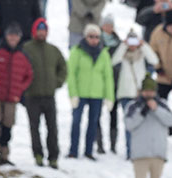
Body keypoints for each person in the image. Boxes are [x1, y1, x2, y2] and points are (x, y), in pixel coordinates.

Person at [127, 77, 172, 178]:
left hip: (157, 153)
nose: (148, 94)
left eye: (151, 91)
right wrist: (143, 111)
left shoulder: (163, 105)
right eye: (146, 90)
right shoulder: (133, 106)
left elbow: (171, 121)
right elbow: (129, 124)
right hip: (140, 154)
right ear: (141, 91)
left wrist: (156, 109)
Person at [23, 18, 67, 168]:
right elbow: (20, 68)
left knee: (52, 128)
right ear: (34, 31)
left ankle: (53, 157)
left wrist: (57, 82)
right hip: (32, 96)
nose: (42, 33)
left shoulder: (53, 50)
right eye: (39, 30)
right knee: (34, 128)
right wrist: (25, 87)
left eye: (44, 30)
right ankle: (38, 155)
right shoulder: (26, 48)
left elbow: (63, 67)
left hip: (49, 96)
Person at [0, 24, 34, 166]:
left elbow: (29, 75)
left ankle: (4, 155)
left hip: (12, 98)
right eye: (10, 35)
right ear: (6, 36)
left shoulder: (23, 55)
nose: (13, 38)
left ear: (19, 38)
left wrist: (19, 90)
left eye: (16, 36)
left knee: (7, 126)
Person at [67, 24, 115, 161]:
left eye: (96, 37)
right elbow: (71, 74)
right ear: (85, 37)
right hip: (80, 93)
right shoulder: (77, 51)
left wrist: (109, 96)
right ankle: (73, 150)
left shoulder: (103, 53)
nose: (94, 39)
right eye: (91, 36)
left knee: (93, 123)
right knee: (76, 121)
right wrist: (73, 94)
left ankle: (89, 151)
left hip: (96, 94)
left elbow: (108, 76)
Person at [111, 33, 159, 159]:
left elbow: (154, 60)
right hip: (125, 94)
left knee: (142, 123)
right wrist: (123, 45)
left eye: (134, 41)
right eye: (130, 41)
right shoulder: (123, 55)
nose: (132, 45)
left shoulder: (141, 54)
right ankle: (130, 152)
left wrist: (143, 45)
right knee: (129, 123)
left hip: (140, 94)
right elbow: (114, 60)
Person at [96, 16, 121, 155]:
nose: (108, 27)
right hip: (99, 83)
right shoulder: (96, 40)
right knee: (97, 115)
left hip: (115, 82)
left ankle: (113, 144)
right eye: (105, 25)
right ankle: (99, 143)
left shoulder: (118, 42)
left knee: (114, 114)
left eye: (110, 25)